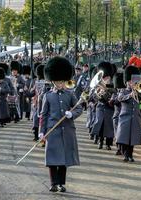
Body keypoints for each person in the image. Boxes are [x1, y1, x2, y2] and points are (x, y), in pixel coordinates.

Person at [39, 56, 82, 192]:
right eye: (58, 81)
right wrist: (41, 131)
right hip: (52, 130)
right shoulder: (48, 96)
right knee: (52, 159)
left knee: (63, 159)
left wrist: (72, 114)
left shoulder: (70, 94)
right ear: (53, 81)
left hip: (67, 130)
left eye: (62, 81)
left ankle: (61, 184)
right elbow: (43, 114)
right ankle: (53, 183)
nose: (61, 84)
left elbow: (79, 108)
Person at [116, 66, 141, 162]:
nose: (131, 83)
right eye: (130, 81)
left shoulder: (139, 90)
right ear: (127, 82)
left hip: (135, 117)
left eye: (132, 81)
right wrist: (130, 95)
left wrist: (137, 91)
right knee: (124, 137)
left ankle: (130, 155)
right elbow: (120, 98)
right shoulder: (123, 91)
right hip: (125, 116)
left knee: (132, 138)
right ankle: (125, 154)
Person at [91, 61, 116, 150]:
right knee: (101, 124)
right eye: (104, 78)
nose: (105, 79)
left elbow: (114, 94)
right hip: (100, 107)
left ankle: (108, 144)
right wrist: (98, 94)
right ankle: (100, 141)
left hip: (110, 108)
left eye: (107, 77)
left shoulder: (113, 85)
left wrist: (107, 91)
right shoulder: (99, 85)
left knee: (109, 126)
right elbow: (93, 97)